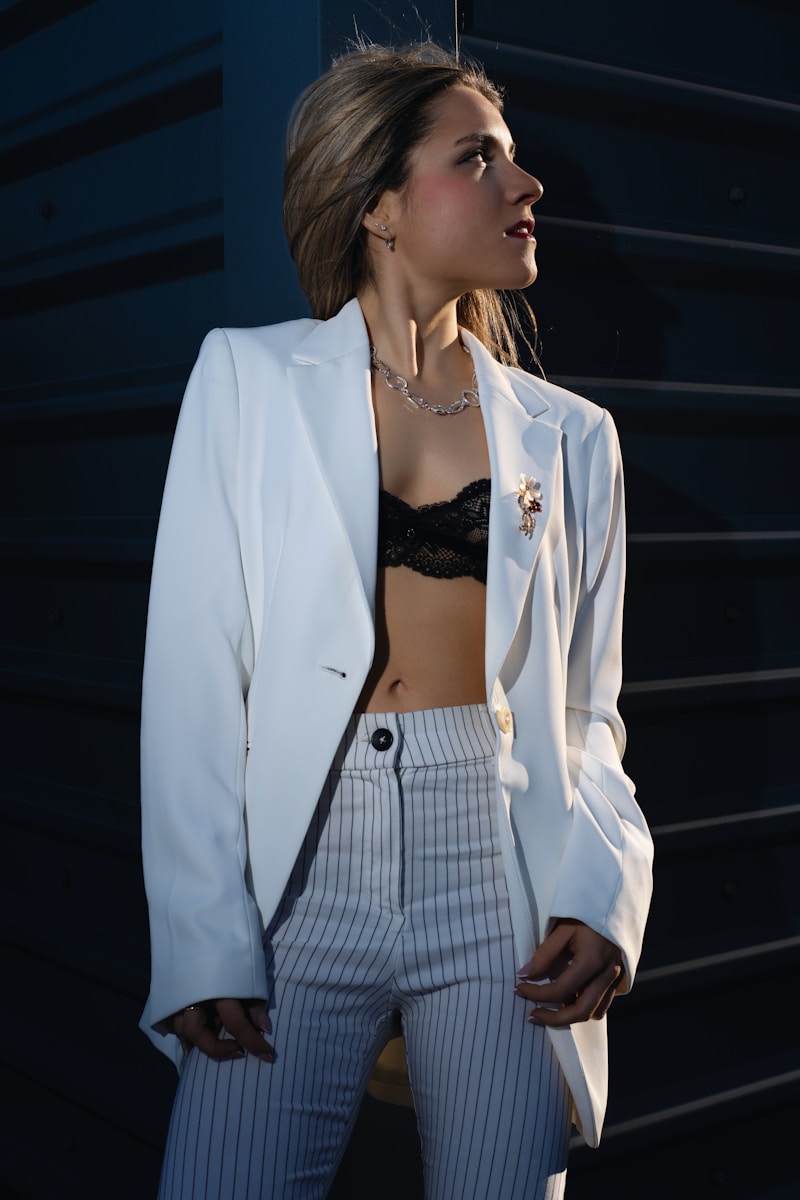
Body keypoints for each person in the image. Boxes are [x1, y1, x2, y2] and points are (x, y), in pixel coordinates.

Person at [140, 41, 653, 1200]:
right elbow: (190, 678)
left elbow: (587, 715)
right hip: (300, 876)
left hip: (501, 877)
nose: (523, 188)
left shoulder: (573, 437)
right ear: (375, 202)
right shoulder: (245, 383)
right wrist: (199, 931)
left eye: (512, 160)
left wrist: (601, 893)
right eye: (478, 158)